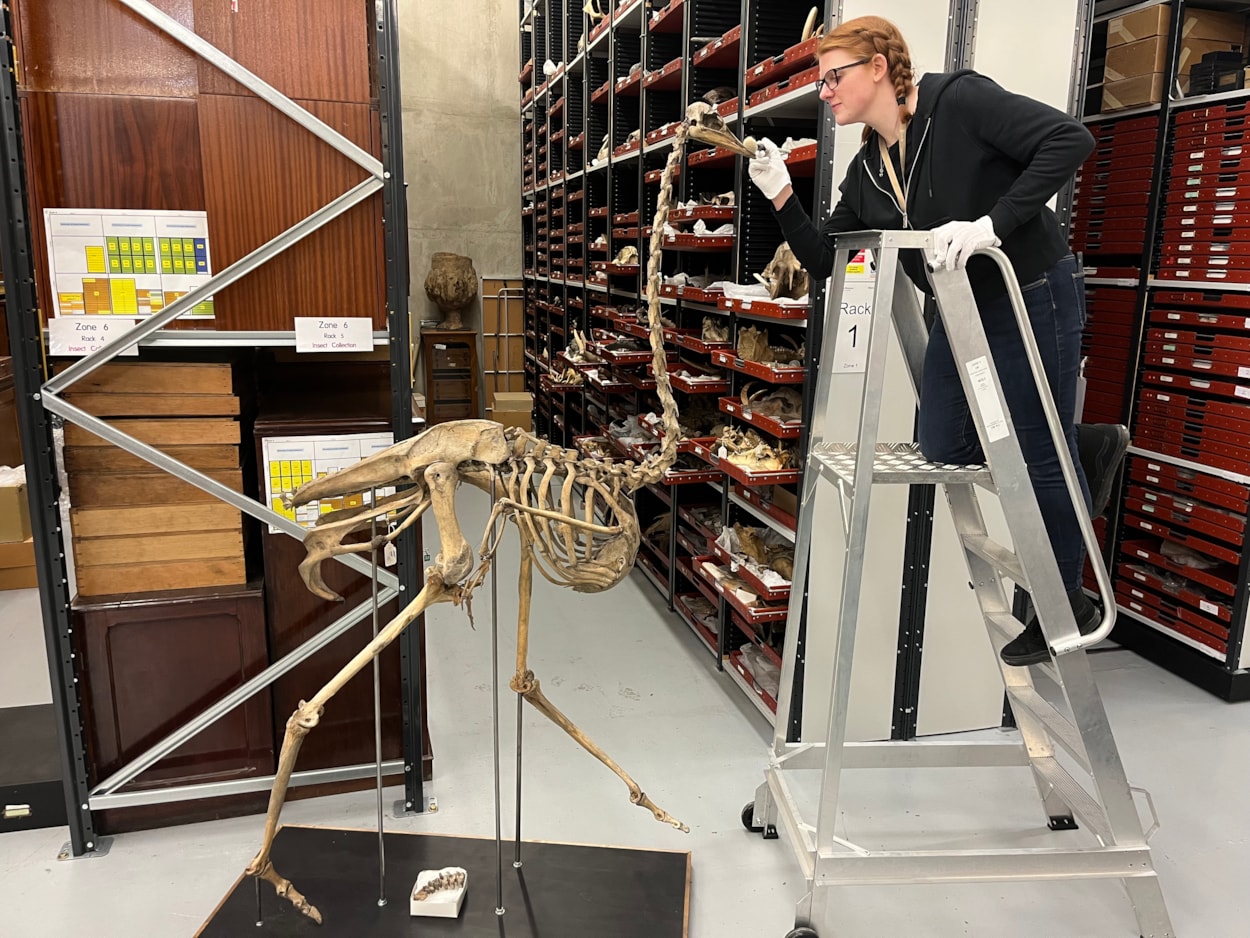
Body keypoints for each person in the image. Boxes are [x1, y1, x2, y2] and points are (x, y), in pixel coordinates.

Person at [746, 15, 1129, 667]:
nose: (826, 92)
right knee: (945, 442)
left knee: (1038, 450)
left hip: (1029, 290)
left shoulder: (959, 101)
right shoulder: (868, 171)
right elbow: (824, 261)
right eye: (821, 82)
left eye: (833, 76)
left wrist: (992, 223)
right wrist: (780, 193)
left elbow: (1069, 140)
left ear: (878, 68)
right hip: (961, 310)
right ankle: (1079, 444)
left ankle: (1068, 602)